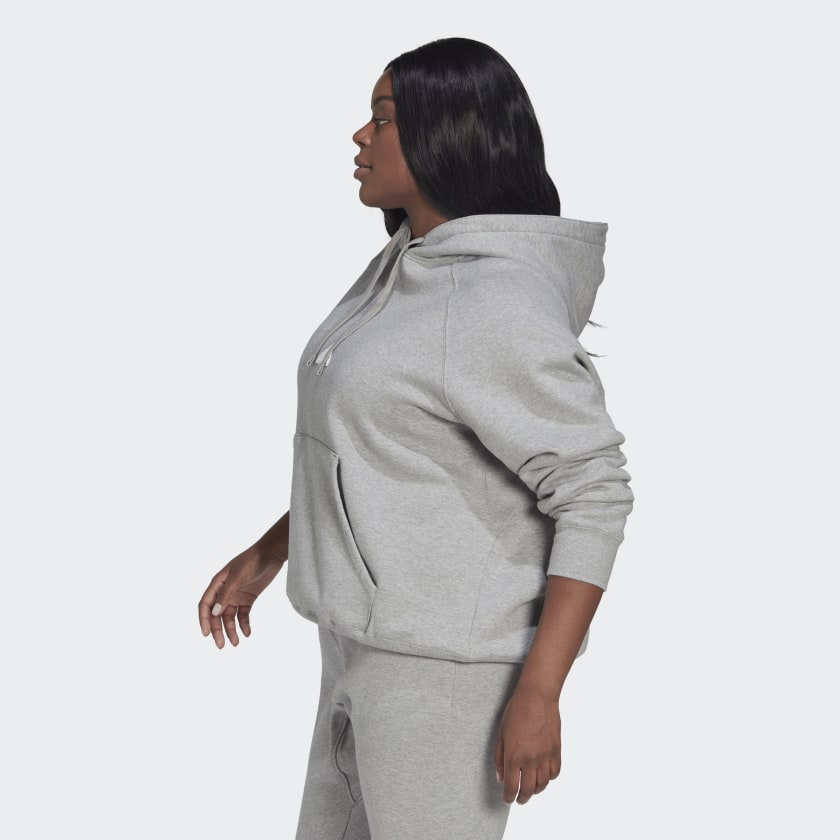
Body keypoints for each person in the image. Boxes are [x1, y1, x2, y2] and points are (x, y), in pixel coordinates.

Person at [198, 37, 633, 840]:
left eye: (383, 118)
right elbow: (378, 448)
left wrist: (540, 693)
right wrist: (272, 550)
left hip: (444, 673)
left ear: (447, 132)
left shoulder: (493, 299)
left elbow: (593, 492)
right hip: (358, 643)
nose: (360, 136)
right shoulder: (406, 265)